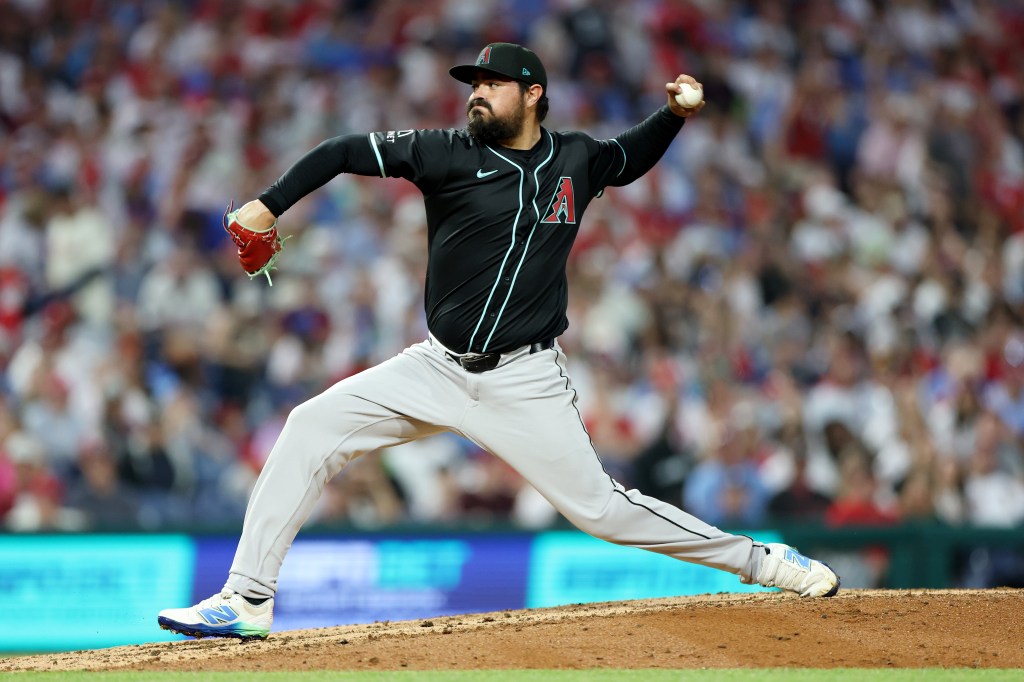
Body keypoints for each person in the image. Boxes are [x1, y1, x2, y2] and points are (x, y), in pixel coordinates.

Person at [157, 43, 839, 641]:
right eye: (472, 84)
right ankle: (246, 598)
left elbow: (629, 159)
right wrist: (268, 203)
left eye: (491, 83)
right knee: (309, 426)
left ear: (532, 93)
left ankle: (764, 561)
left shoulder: (577, 159)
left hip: (525, 380)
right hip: (434, 367)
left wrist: (676, 116)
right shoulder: (445, 154)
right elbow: (341, 152)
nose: (476, 94)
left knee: (602, 510)